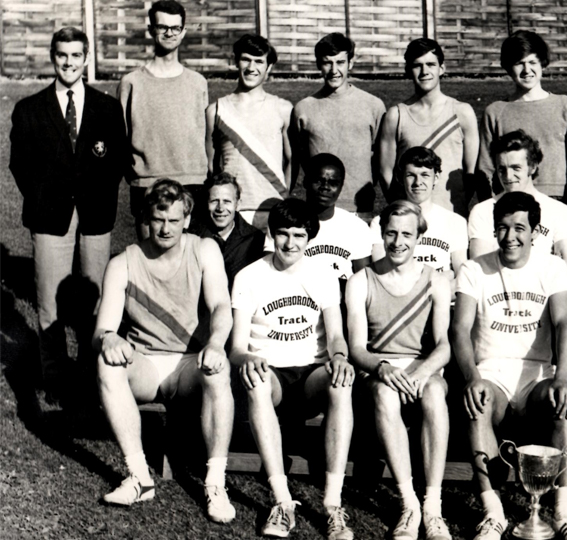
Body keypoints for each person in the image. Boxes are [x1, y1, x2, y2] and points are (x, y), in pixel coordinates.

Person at [93, 180, 236, 523]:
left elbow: (221, 306)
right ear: (146, 218)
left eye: (174, 220)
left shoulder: (204, 249)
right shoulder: (123, 262)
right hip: (146, 364)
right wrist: (108, 339)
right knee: (106, 363)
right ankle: (139, 476)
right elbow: (103, 328)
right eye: (158, 220)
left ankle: (215, 483)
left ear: (187, 219)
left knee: (219, 369)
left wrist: (216, 343)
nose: (165, 228)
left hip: (190, 363)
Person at [453, 192, 567, 540]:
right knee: (478, 399)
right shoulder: (473, 268)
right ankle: (493, 513)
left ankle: (564, 513)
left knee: (563, 402)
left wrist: (562, 378)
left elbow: (564, 324)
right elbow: (460, 328)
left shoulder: (552, 267)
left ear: (534, 232)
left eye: (519, 228)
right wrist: (471, 377)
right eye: (502, 228)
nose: (509, 236)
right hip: (492, 375)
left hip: (536, 377)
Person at [9, 27, 128, 402]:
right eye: (62, 55)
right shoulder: (30, 108)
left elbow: (117, 160)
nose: (69, 62)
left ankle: (98, 375)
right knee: (49, 300)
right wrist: (45, 197)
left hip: (95, 213)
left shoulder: (106, 107)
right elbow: (20, 165)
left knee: (97, 298)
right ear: (52, 57)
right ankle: (55, 377)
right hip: (50, 214)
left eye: (76, 55)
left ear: (87, 58)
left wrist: (96, 193)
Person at [230, 198, 355, 539]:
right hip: (270, 374)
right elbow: (237, 349)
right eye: (283, 234)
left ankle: (332, 504)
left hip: (311, 373)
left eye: (299, 235)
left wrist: (341, 357)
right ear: (272, 234)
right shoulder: (249, 276)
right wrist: (248, 360)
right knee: (256, 382)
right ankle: (282, 502)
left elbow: (336, 337)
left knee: (341, 383)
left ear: (309, 237)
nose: (290, 243)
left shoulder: (323, 274)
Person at [345, 200, 454, 540]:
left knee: (435, 392)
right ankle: (409, 505)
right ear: (382, 234)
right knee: (385, 394)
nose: (398, 242)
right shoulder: (361, 280)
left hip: (421, 369)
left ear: (420, 236)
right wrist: (383, 369)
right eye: (391, 233)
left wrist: (421, 375)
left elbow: (443, 346)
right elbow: (357, 349)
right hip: (378, 371)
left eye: (406, 234)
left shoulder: (436, 280)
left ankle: (432, 507)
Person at [476, 30, 567, 213]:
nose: (526, 70)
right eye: (519, 63)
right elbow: (485, 169)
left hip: (558, 202)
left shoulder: (565, 105)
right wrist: (492, 208)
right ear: (507, 67)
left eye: (532, 62)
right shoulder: (495, 111)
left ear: (543, 64)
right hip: (511, 203)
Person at [118, 0, 208, 237]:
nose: (169, 33)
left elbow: (204, 135)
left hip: (192, 182)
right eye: (162, 27)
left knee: (188, 261)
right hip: (147, 183)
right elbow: (122, 138)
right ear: (151, 30)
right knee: (150, 262)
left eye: (175, 28)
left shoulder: (198, 83)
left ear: (183, 32)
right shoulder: (131, 82)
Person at [376, 38, 479, 216]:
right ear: (408, 70)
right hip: (409, 219)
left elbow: (471, 173)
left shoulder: (462, 112)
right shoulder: (396, 115)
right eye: (417, 65)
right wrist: (402, 209)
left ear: (442, 69)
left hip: (451, 216)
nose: (424, 71)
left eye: (431, 64)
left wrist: (455, 207)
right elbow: (386, 173)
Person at [292, 33, 386, 218]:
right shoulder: (303, 108)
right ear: (319, 64)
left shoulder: (373, 105)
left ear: (350, 63)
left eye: (340, 62)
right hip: (318, 209)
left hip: (360, 208)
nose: (334, 70)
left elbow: (381, 159)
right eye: (327, 62)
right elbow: (301, 157)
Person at [205, 34, 293, 232]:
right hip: (232, 210)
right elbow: (210, 165)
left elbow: (291, 161)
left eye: (259, 61)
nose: (252, 67)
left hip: (272, 208)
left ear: (268, 67)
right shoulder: (216, 110)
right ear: (236, 61)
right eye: (246, 59)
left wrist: (282, 196)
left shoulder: (283, 109)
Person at [468, 130, 567, 267]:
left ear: (533, 167)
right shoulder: (482, 211)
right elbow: (479, 266)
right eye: (502, 169)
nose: (508, 177)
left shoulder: (560, 212)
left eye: (516, 168)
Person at [267, 153, 371, 282]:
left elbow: (364, 279)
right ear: (305, 182)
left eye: (333, 183)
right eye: (318, 180)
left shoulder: (357, 227)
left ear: (341, 187)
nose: (325, 187)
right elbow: (269, 271)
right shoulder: (286, 220)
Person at [370, 147, 468, 279]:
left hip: (442, 297)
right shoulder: (382, 222)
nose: (418, 182)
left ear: (436, 177)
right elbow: (382, 273)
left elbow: (461, 278)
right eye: (411, 175)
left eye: (425, 175)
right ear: (400, 178)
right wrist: (442, 278)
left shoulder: (455, 222)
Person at [186, 172, 265, 288]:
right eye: (214, 201)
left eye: (227, 201)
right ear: (206, 204)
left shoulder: (254, 239)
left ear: (238, 205)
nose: (220, 208)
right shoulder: (192, 236)